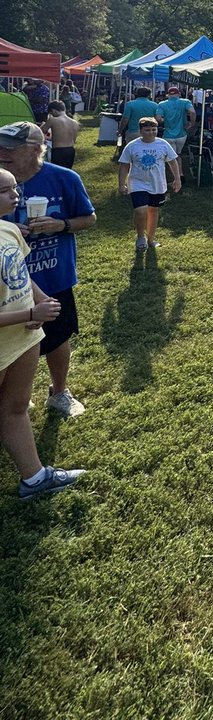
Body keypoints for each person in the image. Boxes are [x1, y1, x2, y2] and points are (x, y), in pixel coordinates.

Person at [0, 168, 87, 498]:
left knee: (16, 407)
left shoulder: (9, 230)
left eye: (14, 189)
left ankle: (34, 478)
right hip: (11, 334)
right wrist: (31, 313)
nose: (16, 196)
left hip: (22, 337)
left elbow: (22, 272)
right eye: (6, 191)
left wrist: (41, 299)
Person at [0, 121, 96, 418]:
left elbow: (89, 218)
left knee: (57, 337)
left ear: (37, 149)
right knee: (7, 346)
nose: (2, 152)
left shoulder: (64, 178)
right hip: (7, 286)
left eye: (10, 148)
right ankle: (13, 398)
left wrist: (61, 225)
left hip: (53, 276)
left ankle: (59, 391)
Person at [117, 118, 182, 251]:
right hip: (137, 183)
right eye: (147, 130)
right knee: (140, 210)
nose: (151, 133)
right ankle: (141, 237)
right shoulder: (132, 145)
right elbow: (124, 165)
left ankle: (151, 239)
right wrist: (121, 184)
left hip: (157, 183)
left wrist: (177, 178)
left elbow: (173, 162)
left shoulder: (163, 144)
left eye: (154, 130)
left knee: (153, 210)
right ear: (140, 131)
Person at [155, 85, 196, 171]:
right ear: (179, 94)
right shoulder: (185, 101)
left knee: (171, 157)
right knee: (178, 154)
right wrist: (192, 123)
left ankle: (175, 176)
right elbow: (192, 112)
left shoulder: (162, 104)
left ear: (168, 95)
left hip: (168, 134)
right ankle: (180, 174)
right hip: (182, 134)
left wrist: (164, 120)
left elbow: (158, 118)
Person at [42, 101, 79, 168]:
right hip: (71, 150)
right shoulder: (75, 123)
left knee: (57, 172)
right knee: (67, 171)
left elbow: (40, 132)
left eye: (51, 113)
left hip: (58, 151)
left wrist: (43, 124)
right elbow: (74, 139)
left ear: (53, 110)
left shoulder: (53, 120)